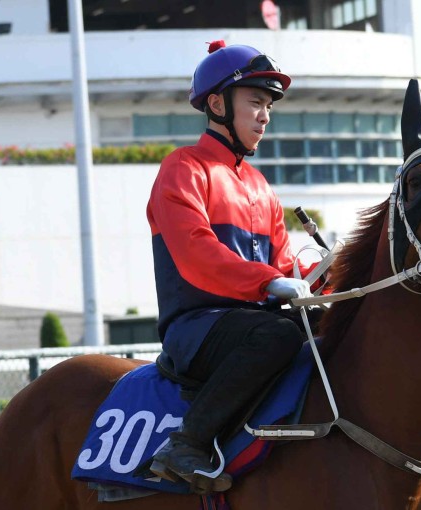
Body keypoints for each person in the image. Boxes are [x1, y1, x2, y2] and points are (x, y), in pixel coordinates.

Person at [145, 40, 315, 493]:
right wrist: (270, 282)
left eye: (269, 106)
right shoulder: (183, 168)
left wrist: (325, 277)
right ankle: (186, 446)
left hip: (248, 324)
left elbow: (283, 265)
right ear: (217, 104)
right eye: (255, 102)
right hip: (196, 328)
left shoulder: (260, 186)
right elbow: (198, 254)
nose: (265, 115)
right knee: (280, 334)